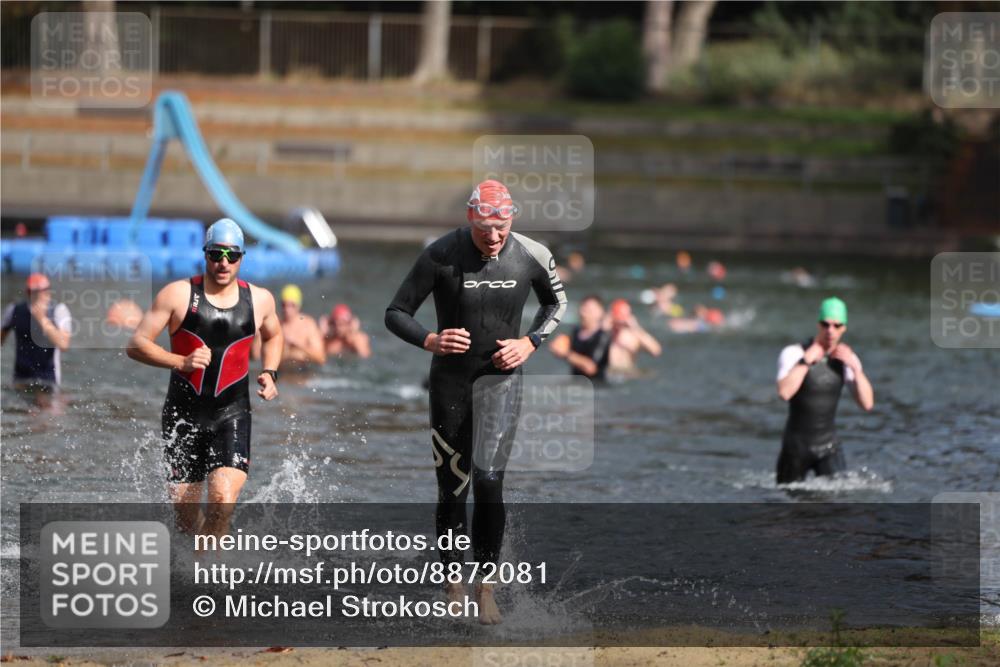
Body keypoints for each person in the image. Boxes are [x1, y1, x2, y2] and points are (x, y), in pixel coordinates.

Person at [385, 179, 566, 624]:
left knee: (487, 481)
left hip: (502, 383)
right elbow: (395, 312)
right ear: (471, 218)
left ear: (512, 219)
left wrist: (531, 343)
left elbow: (556, 304)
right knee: (452, 489)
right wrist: (430, 338)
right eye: (486, 226)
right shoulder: (441, 255)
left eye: (501, 226)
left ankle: (485, 587)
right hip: (450, 386)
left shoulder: (532, 255)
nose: (494, 235)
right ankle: (453, 583)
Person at [127, 219, 283, 537]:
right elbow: (136, 344)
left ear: (241, 257)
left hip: (232, 414)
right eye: (216, 254)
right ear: (205, 254)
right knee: (187, 522)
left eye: (231, 255)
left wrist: (269, 371)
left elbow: (274, 335)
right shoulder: (178, 295)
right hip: (183, 416)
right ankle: (199, 567)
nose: (223, 262)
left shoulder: (261, 300)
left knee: (222, 500)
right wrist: (180, 361)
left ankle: (212, 578)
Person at [775, 297, 874, 484]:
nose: (830, 330)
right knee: (787, 504)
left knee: (838, 502)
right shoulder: (794, 353)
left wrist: (857, 370)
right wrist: (805, 362)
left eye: (837, 325)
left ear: (844, 328)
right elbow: (784, 392)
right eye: (825, 324)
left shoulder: (847, 360)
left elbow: (867, 404)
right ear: (818, 324)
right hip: (796, 448)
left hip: (829, 447)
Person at [1, 273, 72, 390]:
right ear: (28, 293)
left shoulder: (59, 311)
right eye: (35, 293)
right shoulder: (14, 310)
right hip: (21, 379)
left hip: (49, 380)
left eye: (45, 292)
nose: (43, 296)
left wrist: (42, 319)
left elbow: (64, 344)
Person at [549, 295, 611, 381]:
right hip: (576, 383)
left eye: (589, 310)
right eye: (583, 308)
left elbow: (591, 368)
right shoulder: (576, 331)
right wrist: (557, 349)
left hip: (596, 386)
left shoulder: (603, 336)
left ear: (600, 313)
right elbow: (569, 354)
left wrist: (566, 354)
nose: (584, 312)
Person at [276, 284, 326, 367]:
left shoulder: (308, 325)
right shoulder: (277, 324)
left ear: (298, 306)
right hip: (283, 371)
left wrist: (298, 345)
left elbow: (321, 358)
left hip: (304, 370)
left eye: (292, 305)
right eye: (284, 305)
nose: (287, 309)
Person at [607, 299, 661, 374]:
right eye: (618, 317)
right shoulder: (605, 334)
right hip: (609, 372)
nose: (620, 322)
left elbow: (656, 351)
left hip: (627, 373)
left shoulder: (633, 336)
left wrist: (636, 327)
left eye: (623, 318)